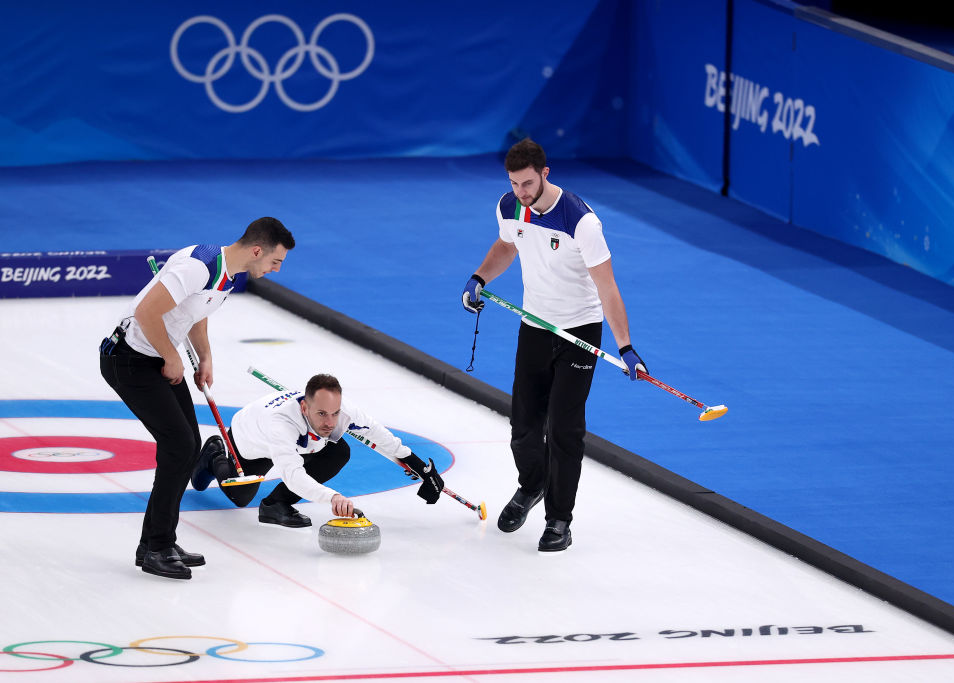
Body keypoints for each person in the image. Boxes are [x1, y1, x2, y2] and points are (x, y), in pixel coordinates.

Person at [461, 138, 646, 552]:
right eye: (514, 183)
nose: (521, 193)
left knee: (564, 430)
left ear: (546, 174)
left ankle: (559, 519)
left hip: (579, 331)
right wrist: (479, 277)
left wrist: (626, 346)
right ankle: (533, 484)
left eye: (527, 183)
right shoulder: (510, 206)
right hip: (535, 326)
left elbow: (608, 287)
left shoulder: (581, 222)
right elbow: (507, 245)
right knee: (523, 428)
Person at [99, 217, 295, 580]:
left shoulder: (227, 276)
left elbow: (196, 315)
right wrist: (172, 356)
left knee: (188, 448)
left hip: (155, 357)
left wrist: (204, 356)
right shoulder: (198, 265)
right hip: (127, 358)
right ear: (257, 251)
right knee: (177, 446)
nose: (275, 269)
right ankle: (156, 547)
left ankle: (158, 542)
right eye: (275, 261)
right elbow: (146, 312)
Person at [189, 373, 444, 525]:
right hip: (252, 441)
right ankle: (215, 455)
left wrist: (421, 467)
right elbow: (293, 475)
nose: (330, 422)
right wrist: (332, 497)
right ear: (304, 408)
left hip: (300, 442)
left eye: (334, 413)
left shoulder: (341, 412)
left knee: (339, 451)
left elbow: (380, 436)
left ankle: (275, 505)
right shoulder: (281, 425)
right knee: (240, 497)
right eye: (322, 414)